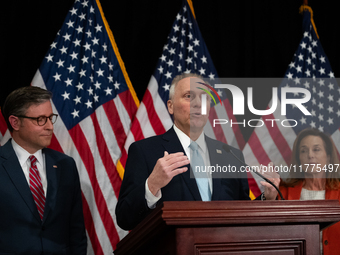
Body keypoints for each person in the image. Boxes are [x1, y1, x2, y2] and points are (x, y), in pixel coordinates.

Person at [116, 73, 280, 231]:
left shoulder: (231, 156)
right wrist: (152, 185)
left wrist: (268, 198)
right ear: (171, 106)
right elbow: (125, 218)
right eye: (188, 96)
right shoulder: (145, 151)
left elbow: (242, 214)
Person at [0, 86, 87, 254]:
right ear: (15, 122)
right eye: (40, 119)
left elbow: (76, 231)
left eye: (50, 118)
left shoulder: (66, 165)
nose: (49, 126)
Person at [279, 128, 340, 255]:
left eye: (316, 149)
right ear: (299, 159)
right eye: (303, 151)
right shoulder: (283, 191)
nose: (310, 155)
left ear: (328, 157)